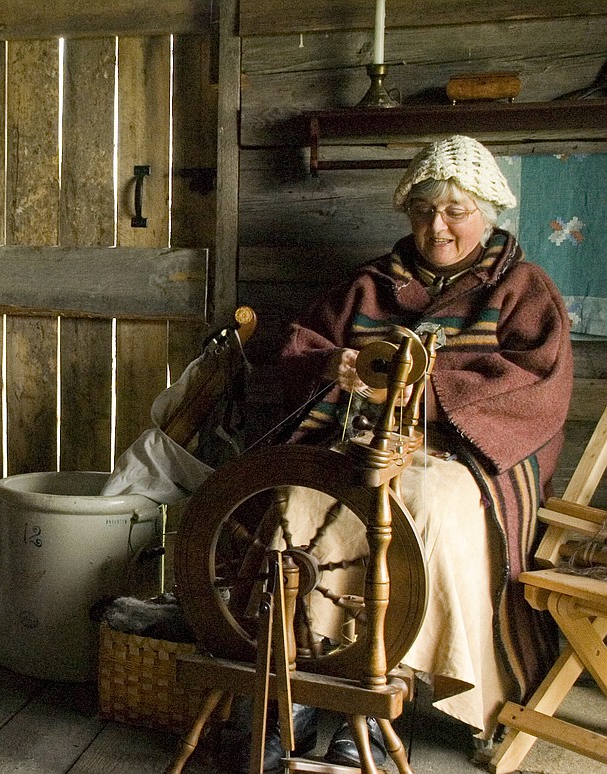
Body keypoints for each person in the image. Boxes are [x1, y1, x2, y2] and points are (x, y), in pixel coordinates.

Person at [264, 135, 574, 769]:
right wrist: (337, 367)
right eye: (425, 209)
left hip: (468, 457)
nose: (439, 225)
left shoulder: (522, 288)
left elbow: (536, 385)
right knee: (300, 496)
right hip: (358, 439)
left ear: (488, 212)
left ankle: (382, 698)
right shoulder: (369, 285)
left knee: (421, 502)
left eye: (456, 210)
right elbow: (298, 351)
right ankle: (294, 683)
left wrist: (416, 386)